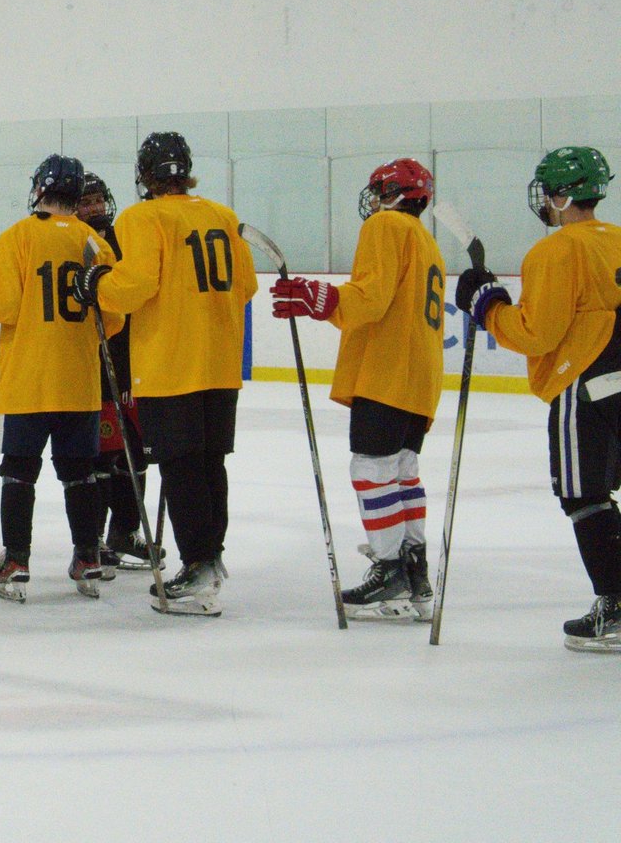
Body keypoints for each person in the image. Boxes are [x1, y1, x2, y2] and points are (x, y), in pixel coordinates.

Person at [76, 132, 257, 616]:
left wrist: (98, 284)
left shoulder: (143, 216)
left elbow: (135, 286)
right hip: (220, 364)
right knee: (210, 463)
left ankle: (198, 564)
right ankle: (210, 559)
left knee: (181, 467)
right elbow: (247, 285)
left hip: (171, 364)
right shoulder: (222, 215)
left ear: (145, 175)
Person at [455, 147, 621, 651]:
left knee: (584, 496)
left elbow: (537, 334)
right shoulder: (616, 239)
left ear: (563, 194)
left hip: (584, 385)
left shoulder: (555, 250)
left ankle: (615, 608)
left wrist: (487, 305)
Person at [0, 156, 120, 600]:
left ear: (40, 189)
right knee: (80, 474)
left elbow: (1, 305)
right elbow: (112, 319)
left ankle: (17, 560)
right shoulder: (96, 244)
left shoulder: (17, 237)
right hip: (79, 381)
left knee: (19, 473)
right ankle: (89, 557)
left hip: (29, 382)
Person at [273, 157, 444, 619]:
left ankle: (388, 569)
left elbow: (371, 297)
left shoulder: (386, 227)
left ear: (394, 193)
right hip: (420, 376)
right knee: (402, 470)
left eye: (378, 190)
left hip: (387, 371)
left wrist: (320, 298)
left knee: (371, 470)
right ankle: (415, 575)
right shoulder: (425, 239)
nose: (373, 200)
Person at [78, 172, 153, 573]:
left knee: (135, 455)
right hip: (93, 363)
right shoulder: (76, 242)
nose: (93, 208)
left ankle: (125, 532)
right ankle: (96, 539)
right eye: (84, 201)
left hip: (134, 365)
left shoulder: (127, 237)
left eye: (97, 200)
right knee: (103, 456)